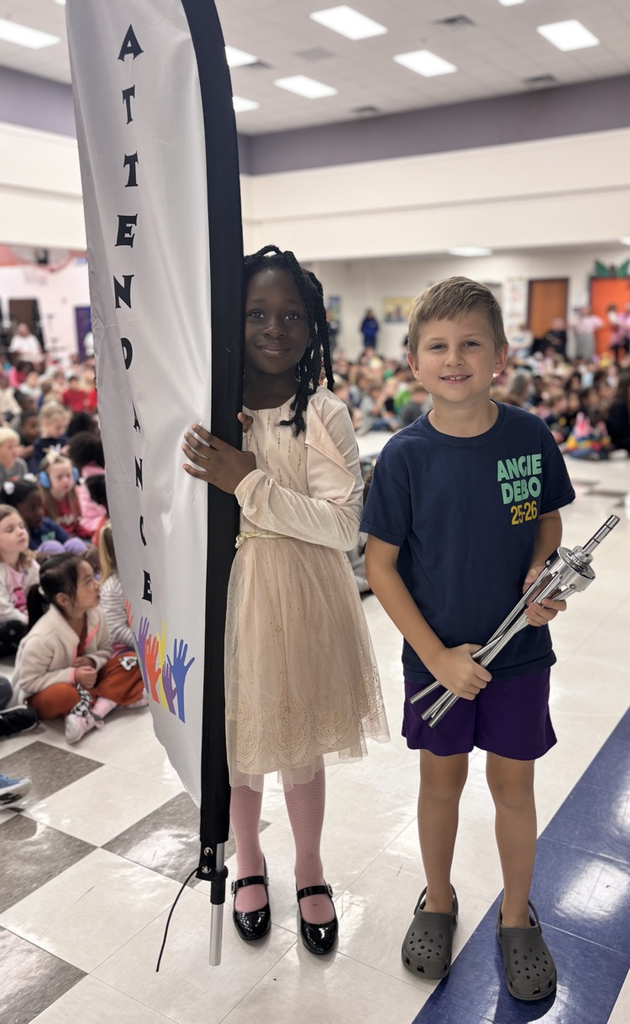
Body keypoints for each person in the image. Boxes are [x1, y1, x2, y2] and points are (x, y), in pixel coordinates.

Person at [362, 276, 575, 1002]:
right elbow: (380, 566)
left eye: (470, 344)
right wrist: (435, 657)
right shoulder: (403, 456)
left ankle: (517, 915)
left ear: (500, 356)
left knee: (514, 789)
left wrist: (544, 571)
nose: (454, 359)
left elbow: (548, 518)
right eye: (437, 346)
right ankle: (439, 898)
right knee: (440, 785)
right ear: (414, 363)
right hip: (437, 661)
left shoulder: (530, 435)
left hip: (519, 656)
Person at [182, 245, 388, 956]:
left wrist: (248, 482)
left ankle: (308, 864)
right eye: (257, 313)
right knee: (239, 743)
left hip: (302, 593)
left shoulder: (323, 413)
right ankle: (249, 860)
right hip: (228, 598)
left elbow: (341, 525)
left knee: (298, 742)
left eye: (291, 315)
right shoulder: (213, 407)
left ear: (314, 328)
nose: (274, 327)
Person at [14, 554, 146, 744]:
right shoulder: (42, 637)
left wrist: (93, 661)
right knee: (65, 695)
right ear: (63, 599)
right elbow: (29, 683)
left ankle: (91, 714)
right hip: (53, 692)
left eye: (94, 577)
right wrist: (72, 675)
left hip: (88, 682)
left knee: (132, 660)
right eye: (87, 582)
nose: (97, 584)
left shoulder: (96, 614)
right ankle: (112, 698)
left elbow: (105, 650)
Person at [1, 478, 87, 555]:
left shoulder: (47, 524)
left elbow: (68, 541)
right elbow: (30, 558)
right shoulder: (19, 536)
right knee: (52, 547)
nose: (40, 512)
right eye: (31, 509)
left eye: (40, 505)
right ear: (13, 511)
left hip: (64, 566)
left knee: (76, 543)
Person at [0, 504, 40, 656]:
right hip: (7, 623)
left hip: (25, 618)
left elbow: (38, 595)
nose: (20, 532)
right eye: (10, 530)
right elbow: (4, 612)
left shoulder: (29, 563)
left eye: (21, 526)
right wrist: (30, 621)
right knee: (15, 627)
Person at [38, 451, 90, 540]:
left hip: (75, 540)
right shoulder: (42, 502)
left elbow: (77, 526)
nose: (66, 480)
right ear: (45, 480)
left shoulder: (75, 497)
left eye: (69, 475)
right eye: (59, 477)